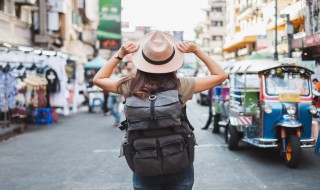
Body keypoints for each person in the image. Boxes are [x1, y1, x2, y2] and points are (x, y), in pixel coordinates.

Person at [93, 31, 227, 189]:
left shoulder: (130, 86)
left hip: (144, 164)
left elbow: (98, 79)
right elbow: (220, 75)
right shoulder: (182, 85)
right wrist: (197, 51)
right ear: (172, 62)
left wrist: (120, 53)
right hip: (179, 162)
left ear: (142, 61)